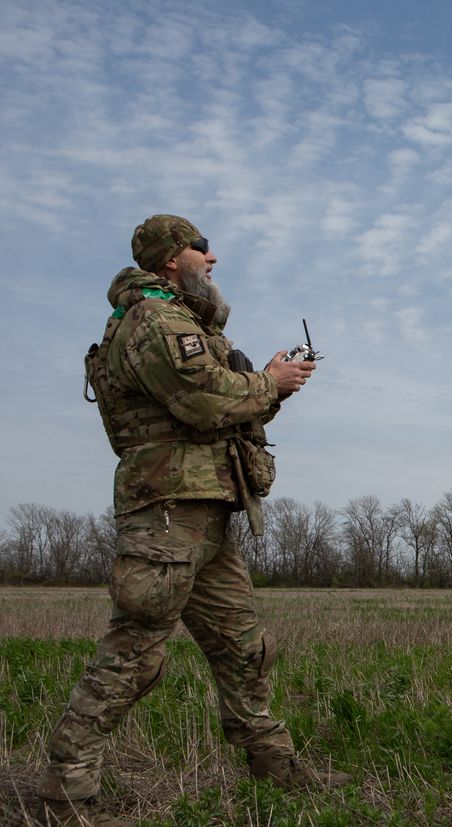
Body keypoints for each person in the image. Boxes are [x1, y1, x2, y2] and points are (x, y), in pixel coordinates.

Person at [34, 215, 345, 826]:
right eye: (203, 248)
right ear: (173, 258)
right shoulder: (155, 319)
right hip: (167, 513)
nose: (214, 258)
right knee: (136, 652)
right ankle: (64, 786)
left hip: (205, 513)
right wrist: (268, 381)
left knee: (243, 646)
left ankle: (273, 763)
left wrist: (272, 385)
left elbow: (226, 405)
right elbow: (203, 402)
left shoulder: (181, 322)